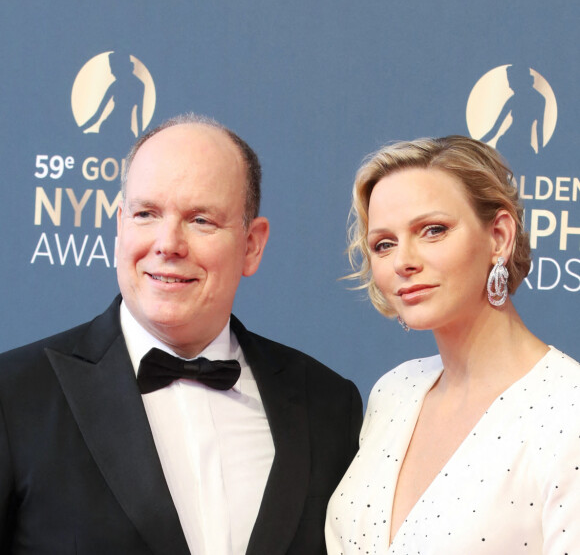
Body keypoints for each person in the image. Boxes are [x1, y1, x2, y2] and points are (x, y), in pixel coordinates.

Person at [0, 113, 363, 555]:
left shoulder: (327, 404)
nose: (168, 243)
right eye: (146, 214)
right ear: (119, 226)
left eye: (201, 220)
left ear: (252, 245)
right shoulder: (14, 395)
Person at [325, 136, 580, 554]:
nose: (403, 261)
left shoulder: (568, 413)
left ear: (498, 236)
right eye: (383, 244)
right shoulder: (395, 392)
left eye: (433, 230)